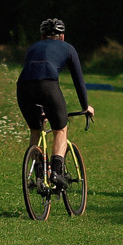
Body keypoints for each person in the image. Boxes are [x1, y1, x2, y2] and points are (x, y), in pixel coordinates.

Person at [17, 18, 94, 189]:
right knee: (60, 129)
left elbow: (33, 74)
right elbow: (78, 81)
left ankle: (37, 175)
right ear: (62, 36)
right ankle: (56, 173)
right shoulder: (68, 48)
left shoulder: (33, 47)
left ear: (42, 36)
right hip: (48, 86)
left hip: (23, 87)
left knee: (36, 129)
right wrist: (85, 106)